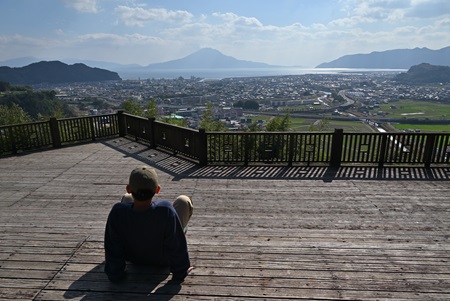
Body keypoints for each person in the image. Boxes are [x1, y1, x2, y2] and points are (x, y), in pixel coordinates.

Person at [104, 165, 193, 283]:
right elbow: (176, 244)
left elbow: (112, 245)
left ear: (129, 189)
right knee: (183, 201)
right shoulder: (166, 210)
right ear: (157, 189)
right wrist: (181, 272)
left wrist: (115, 274)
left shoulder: (117, 212)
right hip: (163, 260)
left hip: (133, 258)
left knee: (126, 199)